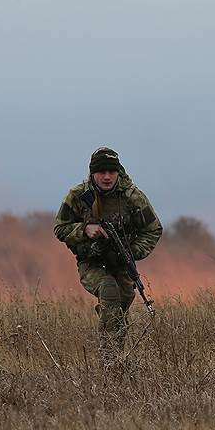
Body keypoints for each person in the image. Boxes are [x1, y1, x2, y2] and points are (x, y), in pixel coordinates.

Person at [54, 147, 163, 364]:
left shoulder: (132, 197)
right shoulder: (78, 195)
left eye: (111, 172)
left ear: (118, 172)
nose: (106, 177)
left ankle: (116, 361)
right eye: (101, 172)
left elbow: (153, 229)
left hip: (121, 261)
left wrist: (131, 252)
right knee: (109, 291)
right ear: (92, 173)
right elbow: (60, 229)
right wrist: (85, 230)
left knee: (120, 309)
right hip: (91, 260)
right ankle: (108, 361)